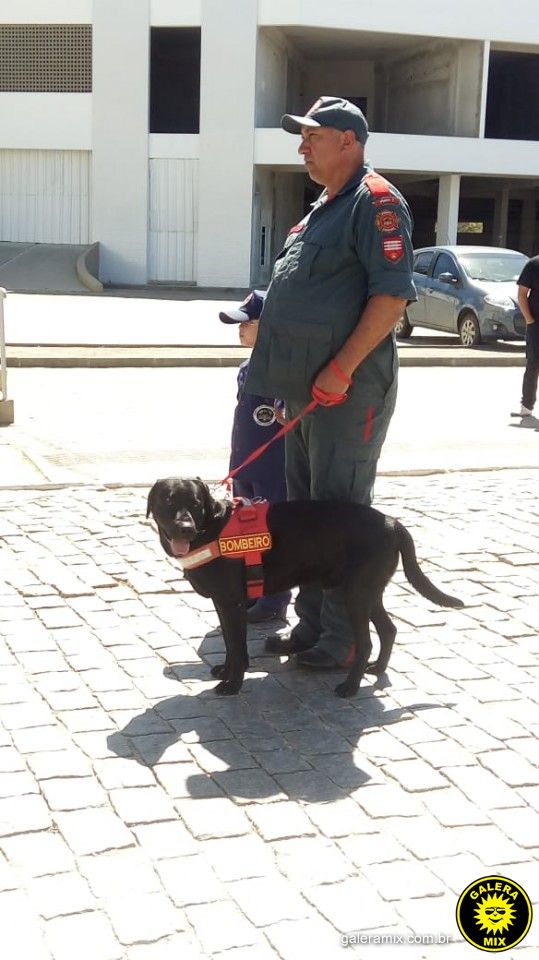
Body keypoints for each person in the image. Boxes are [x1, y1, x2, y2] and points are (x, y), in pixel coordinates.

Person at [245, 96, 416, 669]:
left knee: (340, 517)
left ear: (348, 141)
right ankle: (313, 625)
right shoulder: (323, 208)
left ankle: (345, 641)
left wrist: (341, 368)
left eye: (312, 136)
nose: (302, 147)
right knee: (306, 516)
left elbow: (391, 296)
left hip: (348, 392)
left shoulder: (376, 202)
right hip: (305, 395)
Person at [219, 290, 291, 623]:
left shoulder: (281, 368)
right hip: (244, 465)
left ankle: (274, 599)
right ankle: (253, 591)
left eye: (248, 323)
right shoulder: (246, 367)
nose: (241, 329)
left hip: (271, 469)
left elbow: (286, 415)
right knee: (247, 534)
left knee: (272, 534)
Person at [513, 254, 539, 418]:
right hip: (536, 326)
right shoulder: (534, 265)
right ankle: (527, 406)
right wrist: (530, 320)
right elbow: (522, 294)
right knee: (533, 364)